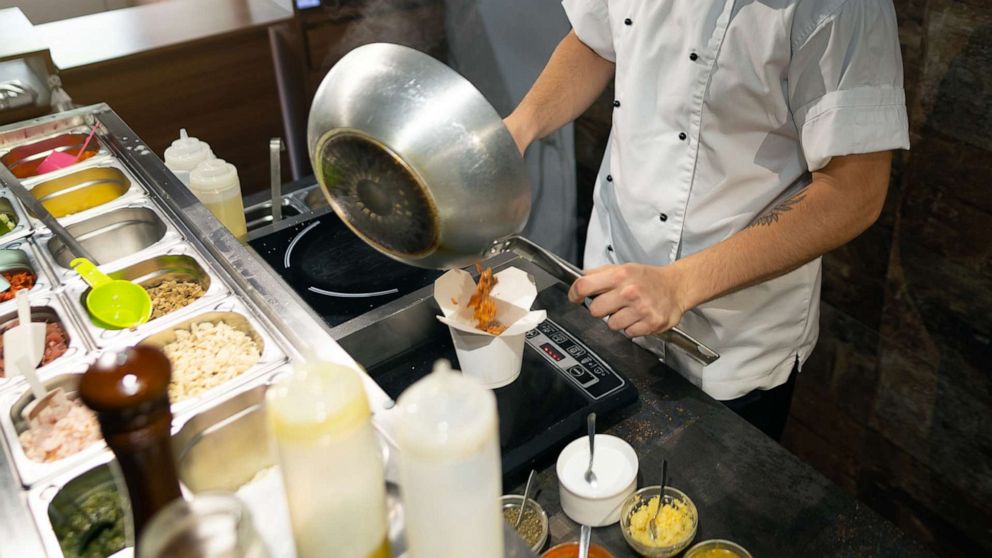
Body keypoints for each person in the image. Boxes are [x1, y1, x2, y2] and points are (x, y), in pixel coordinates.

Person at [504, 0, 909, 440]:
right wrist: (518, 130)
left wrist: (680, 283)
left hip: (730, 340)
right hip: (613, 281)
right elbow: (595, 41)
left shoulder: (844, 7)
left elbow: (854, 193)